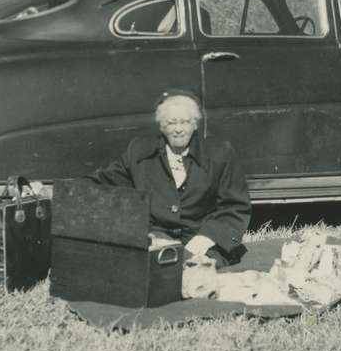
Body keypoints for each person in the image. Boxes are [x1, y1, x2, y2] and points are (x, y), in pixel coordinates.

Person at [85, 89, 251, 266]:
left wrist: (206, 239)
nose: (178, 129)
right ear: (162, 126)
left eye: (185, 122)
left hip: (202, 241)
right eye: (171, 123)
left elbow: (235, 207)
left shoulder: (219, 155)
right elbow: (105, 181)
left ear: (195, 125)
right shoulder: (140, 153)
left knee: (196, 274)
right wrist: (66, 190)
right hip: (155, 240)